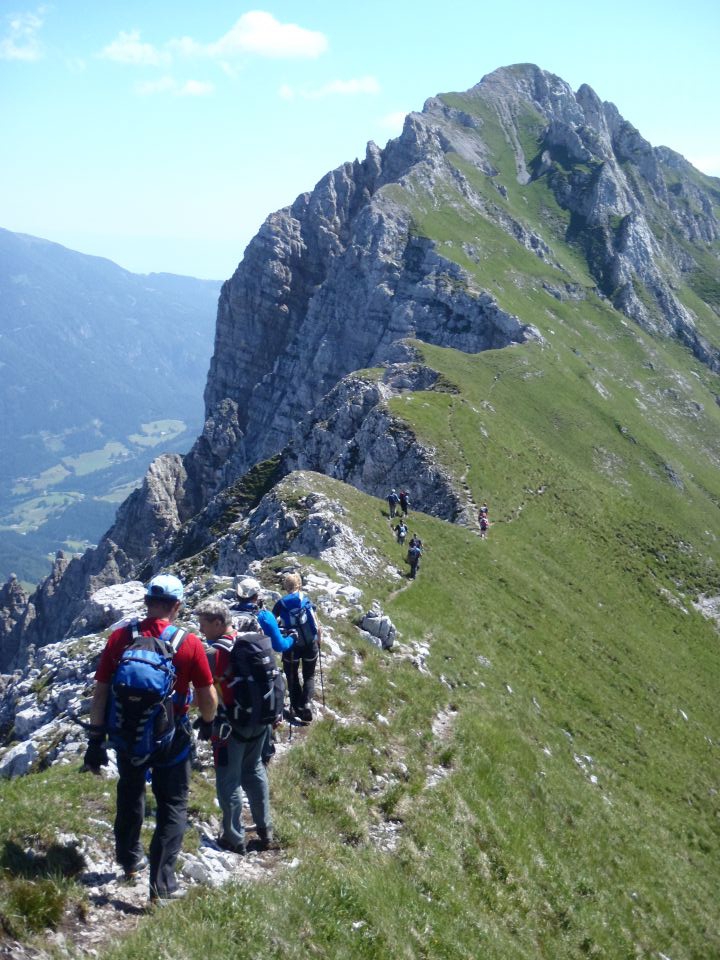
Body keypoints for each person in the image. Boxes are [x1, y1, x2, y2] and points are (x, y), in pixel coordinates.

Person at [83, 574, 217, 904]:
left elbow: (100, 693)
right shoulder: (189, 643)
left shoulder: (120, 637)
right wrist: (209, 723)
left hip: (129, 732)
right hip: (172, 737)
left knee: (130, 790)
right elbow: (207, 695)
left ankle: (129, 859)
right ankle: (162, 884)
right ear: (177, 606)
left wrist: (95, 740)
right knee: (173, 804)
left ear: (147, 602)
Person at [196, 599, 280, 854]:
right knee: (254, 770)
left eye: (204, 625)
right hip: (260, 722)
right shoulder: (251, 642)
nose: (201, 630)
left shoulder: (215, 654)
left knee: (228, 781)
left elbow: (204, 691)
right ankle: (266, 830)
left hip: (229, 725)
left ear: (218, 623)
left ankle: (233, 836)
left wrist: (206, 720)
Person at [233, 577, 294, 765]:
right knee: (267, 705)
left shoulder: (227, 616)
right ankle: (265, 752)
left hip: (232, 675)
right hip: (260, 674)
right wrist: (292, 638)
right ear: (257, 596)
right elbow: (279, 645)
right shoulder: (264, 617)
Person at [273, 572, 322, 723]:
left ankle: (297, 708)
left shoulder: (281, 603)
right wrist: (318, 641)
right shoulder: (306, 600)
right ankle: (306, 703)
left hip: (291, 644)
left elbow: (272, 621)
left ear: (286, 587)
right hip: (310, 644)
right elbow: (317, 624)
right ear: (299, 584)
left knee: (292, 675)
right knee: (309, 675)